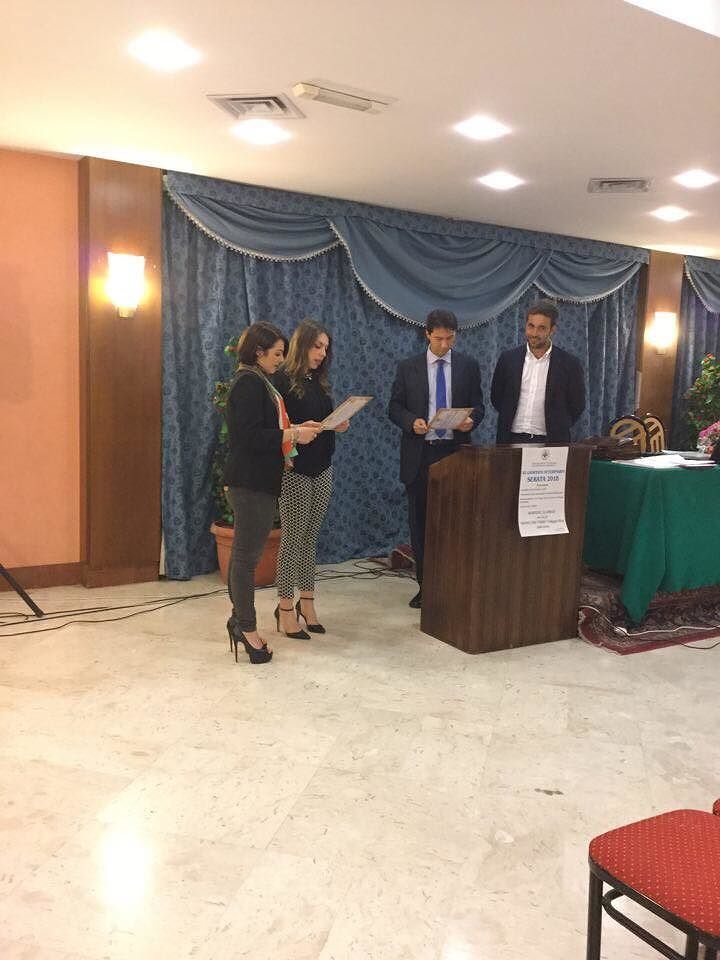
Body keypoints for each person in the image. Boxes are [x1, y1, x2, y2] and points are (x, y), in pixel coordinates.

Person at [224, 321, 320, 664]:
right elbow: (250, 436)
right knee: (246, 560)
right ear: (258, 352)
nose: (281, 360)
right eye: (277, 354)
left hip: (258, 481)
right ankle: (246, 628)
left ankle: (239, 621)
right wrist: (293, 435)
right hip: (250, 482)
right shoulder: (248, 383)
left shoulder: (259, 380)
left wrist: (296, 428)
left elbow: (269, 427)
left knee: (243, 556)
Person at [389, 309, 484, 609]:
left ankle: (452, 585)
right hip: (421, 454)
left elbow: (479, 406)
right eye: (439, 338)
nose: (445, 345)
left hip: (455, 453)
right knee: (420, 525)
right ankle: (425, 586)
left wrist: (472, 421)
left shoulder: (468, 366)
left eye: (450, 338)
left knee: (456, 523)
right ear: (427, 334)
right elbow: (394, 407)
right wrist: (411, 422)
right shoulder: (408, 367)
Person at [273, 320, 349, 638]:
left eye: (326, 348)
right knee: (292, 539)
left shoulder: (318, 381)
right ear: (302, 345)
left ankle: (307, 601)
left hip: (322, 467)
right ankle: (284, 607)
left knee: (309, 538)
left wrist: (337, 424)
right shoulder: (282, 381)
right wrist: (298, 431)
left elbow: (321, 423)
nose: (322, 353)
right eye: (317, 346)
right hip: (296, 470)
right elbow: (277, 427)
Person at [490, 299, 585, 444]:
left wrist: (558, 425)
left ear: (552, 330)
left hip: (552, 442)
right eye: (531, 326)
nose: (534, 333)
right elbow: (497, 397)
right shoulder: (508, 359)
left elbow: (577, 405)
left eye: (541, 328)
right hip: (510, 439)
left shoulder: (570, 364)